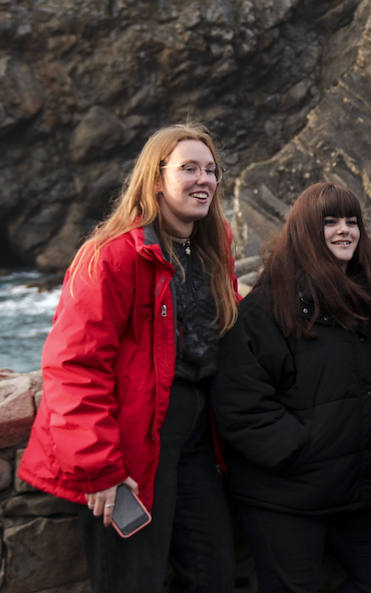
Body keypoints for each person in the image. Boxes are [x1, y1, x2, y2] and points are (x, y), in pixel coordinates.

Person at [19, 123, 239, 593]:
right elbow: (73, 367)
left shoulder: (215, 250)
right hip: (130, 445)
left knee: (214, 574)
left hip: (198, 442)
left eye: (211, 170)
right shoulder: (113, 256)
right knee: (130, 582)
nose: (204, 179)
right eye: (189, 169)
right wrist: (100, 470)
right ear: (156, 178)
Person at [211, 182, 371, 593]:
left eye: (352, 222)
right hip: (285, 496)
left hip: (359, 491)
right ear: (304, 231)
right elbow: (240, 402)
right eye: (330, 222)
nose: (344, 231)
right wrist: (301, 451)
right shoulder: (266, 308)